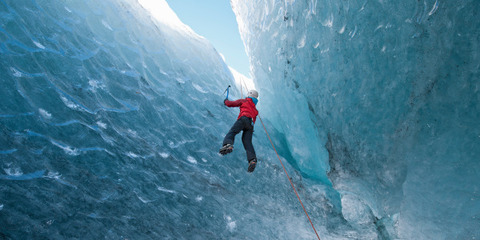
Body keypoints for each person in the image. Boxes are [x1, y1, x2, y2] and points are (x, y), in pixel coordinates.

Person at [219, 89, 259, 172]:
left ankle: (228, 144)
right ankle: (252, 160)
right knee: (247, 142)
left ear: (249, 95)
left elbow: (231, 104)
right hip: (250, 124)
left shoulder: (244, 101)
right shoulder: (255, 110)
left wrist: (226, 101)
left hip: (243, 119)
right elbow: (254, 119)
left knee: (232, 132)